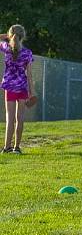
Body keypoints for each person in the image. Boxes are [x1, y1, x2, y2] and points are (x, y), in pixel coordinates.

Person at [0, 25, 34, 154]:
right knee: (20, 118)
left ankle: (6, 148)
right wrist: (32, 92)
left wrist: (6, 36)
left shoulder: (6, 48)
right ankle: (17, 148)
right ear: (23, 37)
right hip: (22, 88)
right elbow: (29, 75)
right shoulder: (27, 53)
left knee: (10, 118)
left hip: (9, 87)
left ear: (10, 35)